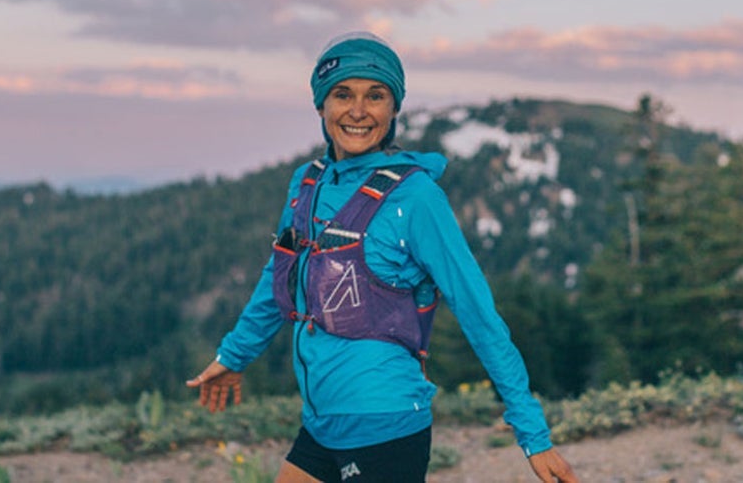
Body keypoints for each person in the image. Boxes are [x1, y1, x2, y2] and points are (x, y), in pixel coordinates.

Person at [188, 31, 579, 483]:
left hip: (384, 426)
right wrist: (235, 355)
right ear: (320, 106)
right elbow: (280, 275)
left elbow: (478, 311)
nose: (358, 111)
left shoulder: (416, 198)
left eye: (376, 95)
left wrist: (532, 432)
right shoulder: (307, 184)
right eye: (342, 94)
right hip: (321, 425)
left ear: (393, 109)